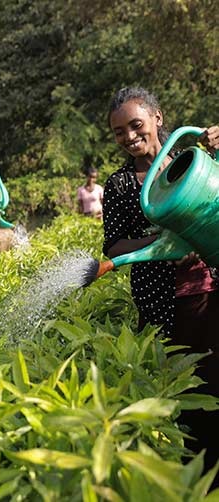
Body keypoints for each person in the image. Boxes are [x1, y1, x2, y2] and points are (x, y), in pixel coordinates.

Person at [103, 86, 219, 472]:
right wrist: (159, 240)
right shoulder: (119, 185)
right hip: (168, 304)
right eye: (119, 132)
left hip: (211, 290)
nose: (130, 137)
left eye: (136, 125)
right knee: (192, 397)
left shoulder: (194, 159)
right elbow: (115, 246)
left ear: (158, 118)